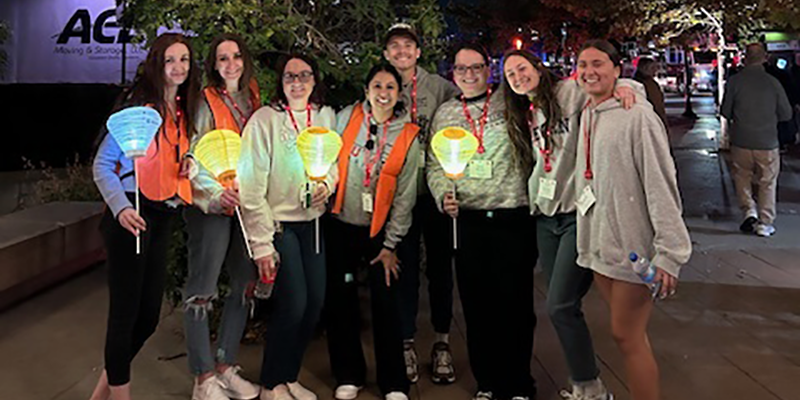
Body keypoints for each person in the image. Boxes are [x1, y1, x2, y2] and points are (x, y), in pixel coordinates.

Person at [502, 48, 640, 400]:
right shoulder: (524, 113)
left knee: (559, 305)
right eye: (510, 75)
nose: (519, 77)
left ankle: (590, 388)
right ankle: (584, 385)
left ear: (537, 66)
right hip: (545, 218)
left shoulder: (569, 90)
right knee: (564, 305)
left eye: (522, 68)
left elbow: (603, 81)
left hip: (577, 213)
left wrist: (627, 88)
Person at [575, 39, 692, 400]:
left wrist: (670, 252)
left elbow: (661, 182)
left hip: (634, 247)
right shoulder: (588, 113)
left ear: (617, 69)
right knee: (629, 335)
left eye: (598, 64)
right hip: (599, 243)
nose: (589, 72)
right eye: (583, 65)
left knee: (627, 337)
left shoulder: (638, 116)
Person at [90, 32, 201, 400]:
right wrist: (120, 207)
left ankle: (103, 391)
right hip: (131, 215)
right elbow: (103, 164)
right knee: (124, 314)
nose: (178, 67)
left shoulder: (182, 110)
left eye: (184, 59)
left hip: (163, 212)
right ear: (157, 63)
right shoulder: (137, 110)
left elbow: (177, 158)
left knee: (148, 315)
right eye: (170, 59)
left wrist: (189, 164)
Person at [427, 44, 536, 400]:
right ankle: (487, 382)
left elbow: (559, 92)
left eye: (476, 67)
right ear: (452, 74)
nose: (469, 74)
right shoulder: (445, 114)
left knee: (516, 305)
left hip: (512, 215)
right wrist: (444, 194)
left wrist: (631, 87)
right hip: (468, 221)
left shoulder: (512, 101)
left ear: (489, 69)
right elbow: (433, 165)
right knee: (477, 307)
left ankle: (519, 383)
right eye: (461, 69)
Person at [238, 53, 337, 400]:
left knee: (314, 304)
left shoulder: (324, 116)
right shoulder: (265, 120)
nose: (297, 82)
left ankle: (288, 375)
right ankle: (270, 383)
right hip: (280, 225)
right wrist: (261, 242)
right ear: (280, 82)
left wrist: (328, 185)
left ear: (315, 78)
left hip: (313, 223)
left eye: (304, 75)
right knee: (293, 304)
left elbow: (334, 162)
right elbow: (250, 184)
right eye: (290, 76)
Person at [324, 63, 420, 400]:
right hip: (341, 226)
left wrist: (392, 243)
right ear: (366, 91)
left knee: (387, 304)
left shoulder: (408, 134)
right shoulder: (345, 119)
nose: (383, 93)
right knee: (342, 302)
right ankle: (348, 373)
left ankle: (394, 381)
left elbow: (406, 197)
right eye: (377, 86)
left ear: (399, 94)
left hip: (381, 235)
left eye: (390, 87)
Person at [182, 33, 261, 400]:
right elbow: (193, 159)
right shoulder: (205, 100)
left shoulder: (253, 95)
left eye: (236, 56)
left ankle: (226, 365)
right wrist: (217, 194)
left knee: (244, 283)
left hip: (245, 204)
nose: (231, 64)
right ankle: (203, 378)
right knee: (203, 289)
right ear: (213, 64)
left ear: (244, 60)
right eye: (222, 58)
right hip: (211, 205)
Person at [382, 22, 460, 384]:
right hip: (399, 193)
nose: (401, 52)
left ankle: (442, 342)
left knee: (441, 268)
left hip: (437, 192)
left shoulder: (442, 88)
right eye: (394, 47)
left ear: (418, 51)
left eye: (408, 46)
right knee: (404, 269)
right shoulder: (382, 87)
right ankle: (406, 342)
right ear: (386, 53)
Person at [721, 43, 793, 237]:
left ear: (745, 58)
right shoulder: (772, 82)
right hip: (767, 141)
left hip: (741, 140)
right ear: (765, 58)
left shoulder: (735, 82)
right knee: (767, 181)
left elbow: (725, 111)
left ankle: (748, 211)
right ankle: (765, 222)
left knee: (742, 177)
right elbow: (786, 113)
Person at [633, 57, 668, 129]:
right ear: (646, 69)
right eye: (653, 68)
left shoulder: (635, 82)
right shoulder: (650, 84)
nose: (655, 70)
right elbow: (657, 105)